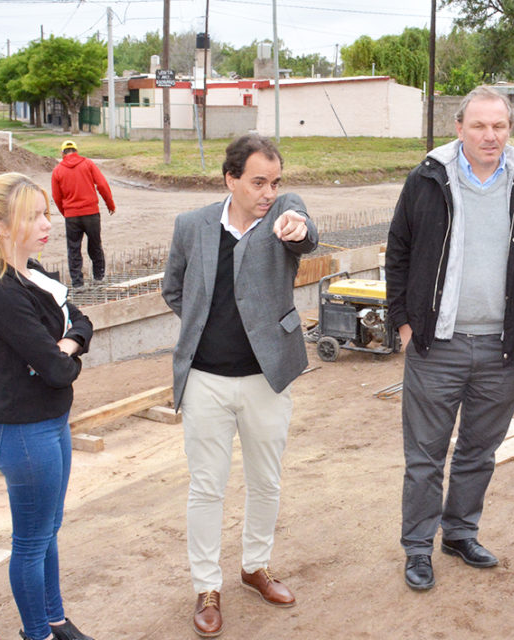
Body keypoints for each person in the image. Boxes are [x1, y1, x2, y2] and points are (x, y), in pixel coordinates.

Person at [387, 86, 514, 591]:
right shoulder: (427, 180)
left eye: (498, 126)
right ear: (458, 128)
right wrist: (403, 322)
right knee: (424, 457)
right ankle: (418, 547)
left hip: (503, 349)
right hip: (437, 346)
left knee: (479, 451)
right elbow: (398, 251)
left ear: (510, 129)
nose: (489, 136)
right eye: (479, 126)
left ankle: (459, 532)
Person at [161, 134, 317, 637]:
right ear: (231, 179)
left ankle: (255, 566)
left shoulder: (283, 216)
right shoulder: (192, 226)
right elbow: (173, 288)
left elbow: (304, 230)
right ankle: (207, 585)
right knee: (207, 488)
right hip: (205, 380)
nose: (268, 192)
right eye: (257, 183)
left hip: (266, 379)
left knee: (266, 480)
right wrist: (206, 323)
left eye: (274, 182)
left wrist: (296, 223)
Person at [0, 173, 96, 640]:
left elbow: (81, 321)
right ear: (0, 226)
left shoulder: (34, 273)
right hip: (23, 431)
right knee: (32, 541)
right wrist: (65, 354)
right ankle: (36, 633)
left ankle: (55, 620)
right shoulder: (2, 293)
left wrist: (67, 344)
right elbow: (58, 370)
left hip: (50, 421)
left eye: (46, 212)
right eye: (34, 215)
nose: (47, 222)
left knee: (48, 531)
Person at [51, 140, 115, 288]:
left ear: (62, 153)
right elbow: (102, 185)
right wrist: (110, 204)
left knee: (73, 249)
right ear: (76, 151)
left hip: (72, 216)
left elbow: (57, 197)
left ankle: (78, 284)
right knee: (95, 245)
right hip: (91, 213)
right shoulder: (88, 164)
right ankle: (99, 278)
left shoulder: (58, 170)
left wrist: (66, 212)